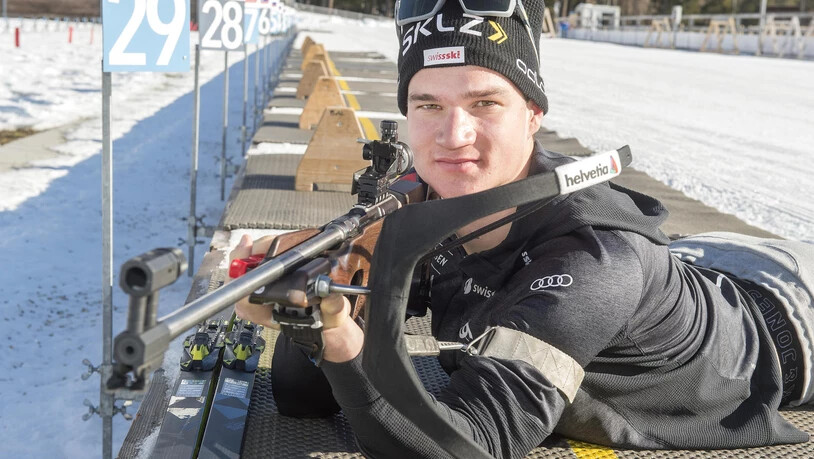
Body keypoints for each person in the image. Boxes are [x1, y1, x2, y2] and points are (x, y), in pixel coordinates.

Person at [231, 1, 814, 457]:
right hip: (701, 265)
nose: (452, 135)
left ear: (534, 114)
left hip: (791, 313)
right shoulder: (429, 200)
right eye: (428, 105)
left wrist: (340, 341)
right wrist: (310, 306)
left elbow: (467, 445)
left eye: (484, 103)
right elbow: (299, 402)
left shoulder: (593, 263)